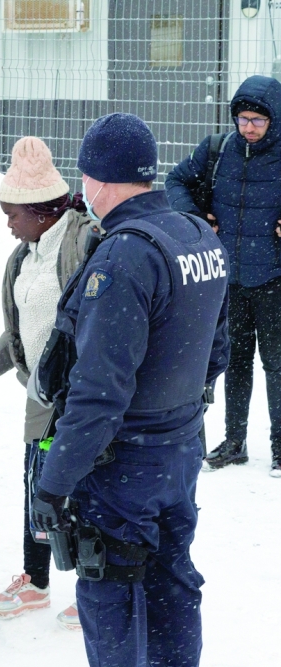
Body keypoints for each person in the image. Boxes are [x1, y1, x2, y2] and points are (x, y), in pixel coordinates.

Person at [30, 113, 229, 667]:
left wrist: (54, 482)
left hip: (123, 466)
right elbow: (217, 349)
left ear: (98, 180)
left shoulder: (124, 256)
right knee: (172, 584)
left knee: (112, 590)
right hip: (179, 452)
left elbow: (98, 393)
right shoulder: (195, 235)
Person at [0, 136, 97, 629]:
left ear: (40, 211)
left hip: (82, 396)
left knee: (82, 489)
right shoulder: (26, 254)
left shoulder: (84, 244)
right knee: (37, 488)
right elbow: (22, 329)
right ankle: (36, 581)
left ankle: (92, 589)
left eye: (12, 213)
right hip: (42, 399)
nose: (7, 223)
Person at [165, 74, 281, 477]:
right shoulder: (217, 151)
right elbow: (175, 180)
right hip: (229, 280)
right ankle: (234, 443)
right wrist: (195, 217)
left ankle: (280, 447)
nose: (248, 127)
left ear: (275, 121)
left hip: (273, 278)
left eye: (258, 121)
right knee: (235, 362)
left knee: (278, 364)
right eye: (243, 118)